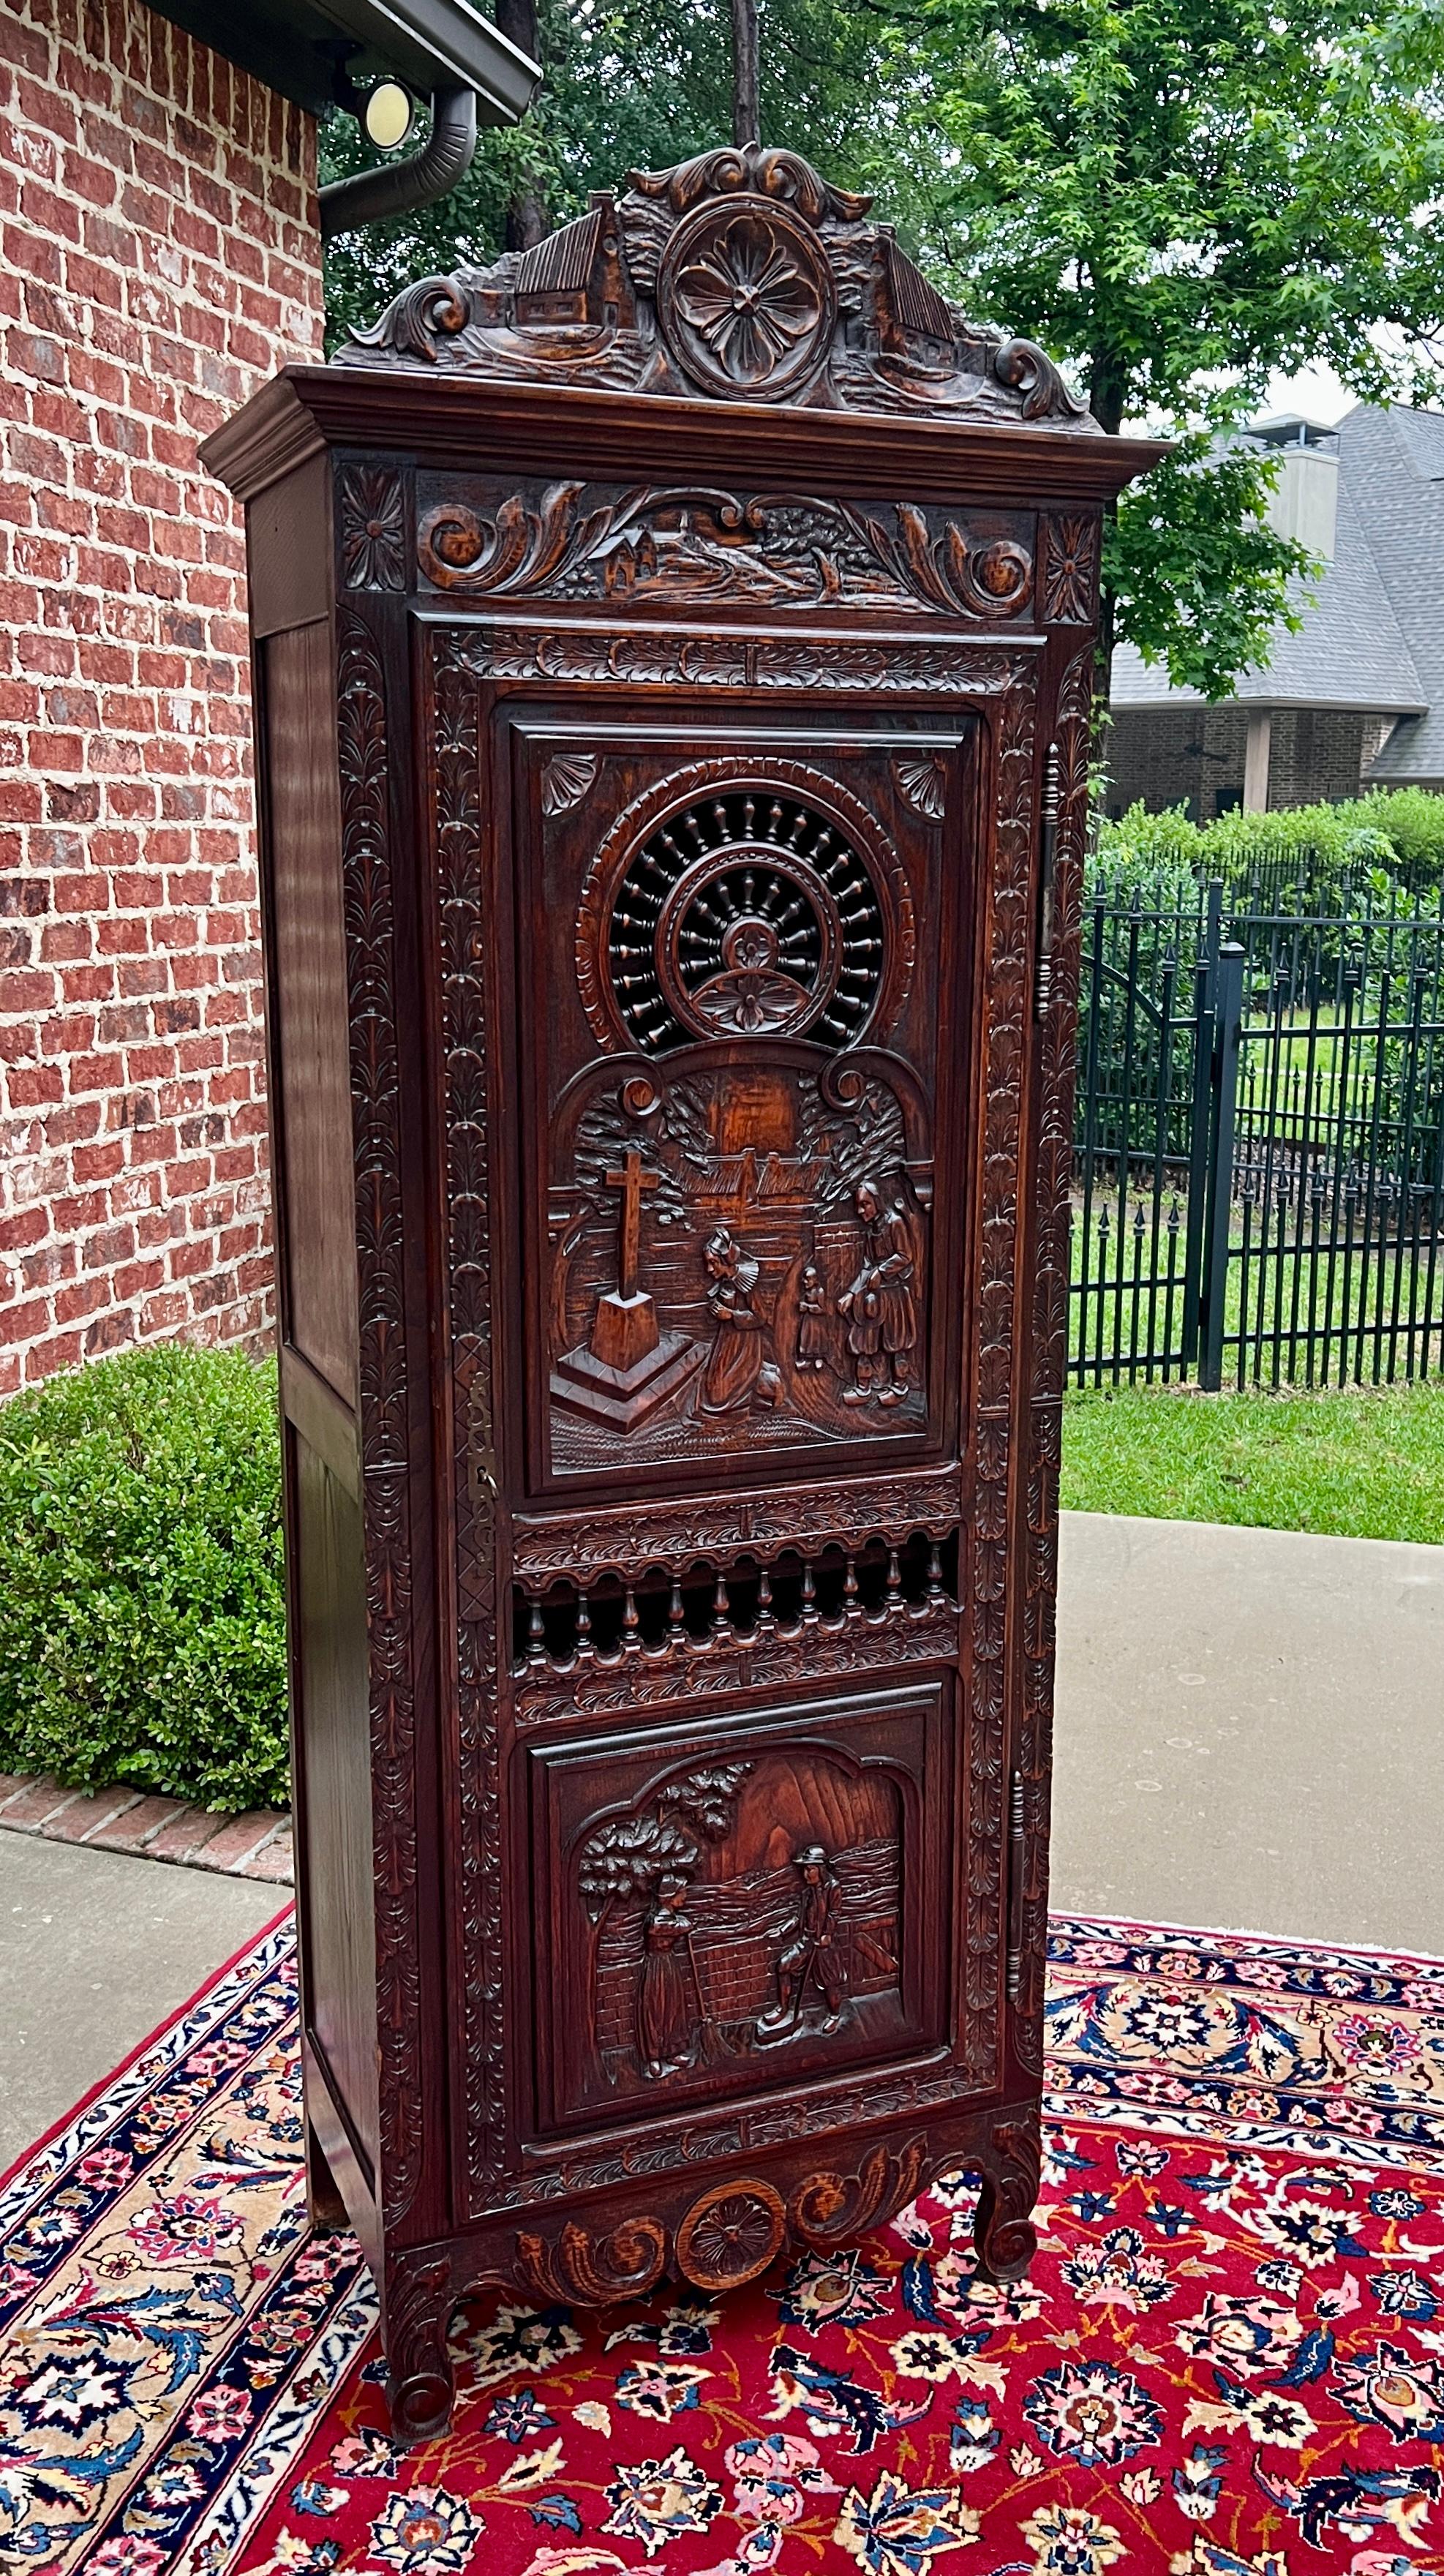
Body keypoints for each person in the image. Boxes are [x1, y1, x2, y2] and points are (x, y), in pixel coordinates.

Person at [838, 1178, 920, 1405]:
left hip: (894, 1295)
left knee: (897, 1343)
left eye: (865, 1204)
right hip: (874, 1297)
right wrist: (852, 1293)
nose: (860, 1210)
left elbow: (905, 1255)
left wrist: (882, 1272)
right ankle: (864, 1387)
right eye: (858, 1205)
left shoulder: (895, 1223)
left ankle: (900, 1386)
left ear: (877, 1202)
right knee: (865, 1340)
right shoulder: (871, 1231)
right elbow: (866, 1265)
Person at [757, 1846, 848, 2039]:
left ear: (821, 1869)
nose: (805, 1874)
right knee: (783, 1965)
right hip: (807, 1941)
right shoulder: (806, 1894)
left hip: (824, 1945)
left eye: (810, 1869)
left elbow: (834, 1913)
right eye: (804, 1870)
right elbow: (798, 1918)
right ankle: (783, 2009)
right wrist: (781, 1931)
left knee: (830, 1982)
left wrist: (827, 1934)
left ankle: (834, 2014)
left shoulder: (832, 1888)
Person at [699, 1228, 781, 1413]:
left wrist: (731, 1315)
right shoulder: (725, 1281)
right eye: (707, 1263)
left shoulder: (746, 1283)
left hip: (745, 1346)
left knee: (718, 1397)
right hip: (727, 1342)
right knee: (711, 1390)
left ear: (725, 1261)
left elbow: (761, 1317)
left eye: (713, 1263)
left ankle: (767, 1384)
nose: (709, 1269)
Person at [637, 1874, 701, 2078]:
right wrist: (684, 1925)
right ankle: (654, 2056)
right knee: (657, 2010)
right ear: (669, 1897)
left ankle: (672, 2051)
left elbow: (682, 1925)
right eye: (682, 1892)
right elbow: (672, 1927)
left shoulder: (672, 1917)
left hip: (670, 1965)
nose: (685, 1895)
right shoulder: (657, 1921)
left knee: (674, 2007)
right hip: (657, 1967)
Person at [795, 1258, 828, 1370]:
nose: (805, 1282)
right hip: (808, 1321)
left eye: (808, 1279)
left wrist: (808, 1308)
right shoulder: (807, 1292)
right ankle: (806, 1359)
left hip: (817, 1322)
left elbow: (823, 1309)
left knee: (816, 1340)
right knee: (806, 1339)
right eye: (804, 1279)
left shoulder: (820, 1292)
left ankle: (818, 1358)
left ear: (815, 1280)